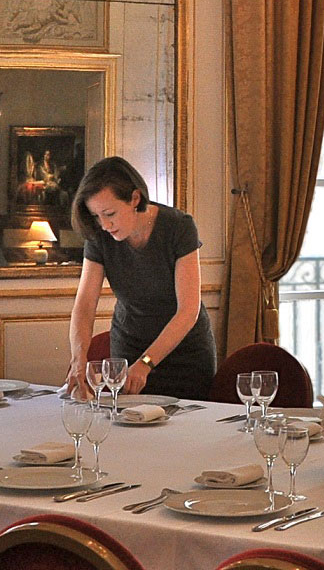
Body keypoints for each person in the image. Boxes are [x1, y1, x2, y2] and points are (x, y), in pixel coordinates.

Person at [65, 156, 215, 400]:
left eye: (109, 213)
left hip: (185, 354)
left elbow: (188, 310)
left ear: (134, 199)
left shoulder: (178, 227)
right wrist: (78, 359)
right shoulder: (100, 235)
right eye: (96, 217)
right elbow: (84, 305)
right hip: (129, 349)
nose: (104, 225)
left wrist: (146, 363)